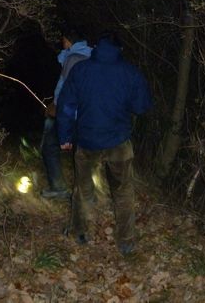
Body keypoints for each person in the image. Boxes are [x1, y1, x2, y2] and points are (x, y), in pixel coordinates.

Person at [57, 33, 152, 255]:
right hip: (118, 141)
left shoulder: (81, 70)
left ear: (96, 48)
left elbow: (66, 105)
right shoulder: (130, 72)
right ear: (120, 49)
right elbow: (141, 106)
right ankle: (126, 241)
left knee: (82, 188)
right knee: (123, 191)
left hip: (87, 140)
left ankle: (79, 231)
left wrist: (65, 136)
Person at [40, 27, 92, 199]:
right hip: (87, 114)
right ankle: (87, 194)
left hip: (69, 113)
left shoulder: (73, 58)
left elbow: (66, 88)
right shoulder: (92, 57)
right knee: (82, 153)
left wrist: (55, 106)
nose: (62, 42)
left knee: (49, 146)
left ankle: (58, 188)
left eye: (63, 39)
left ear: (69, 41)